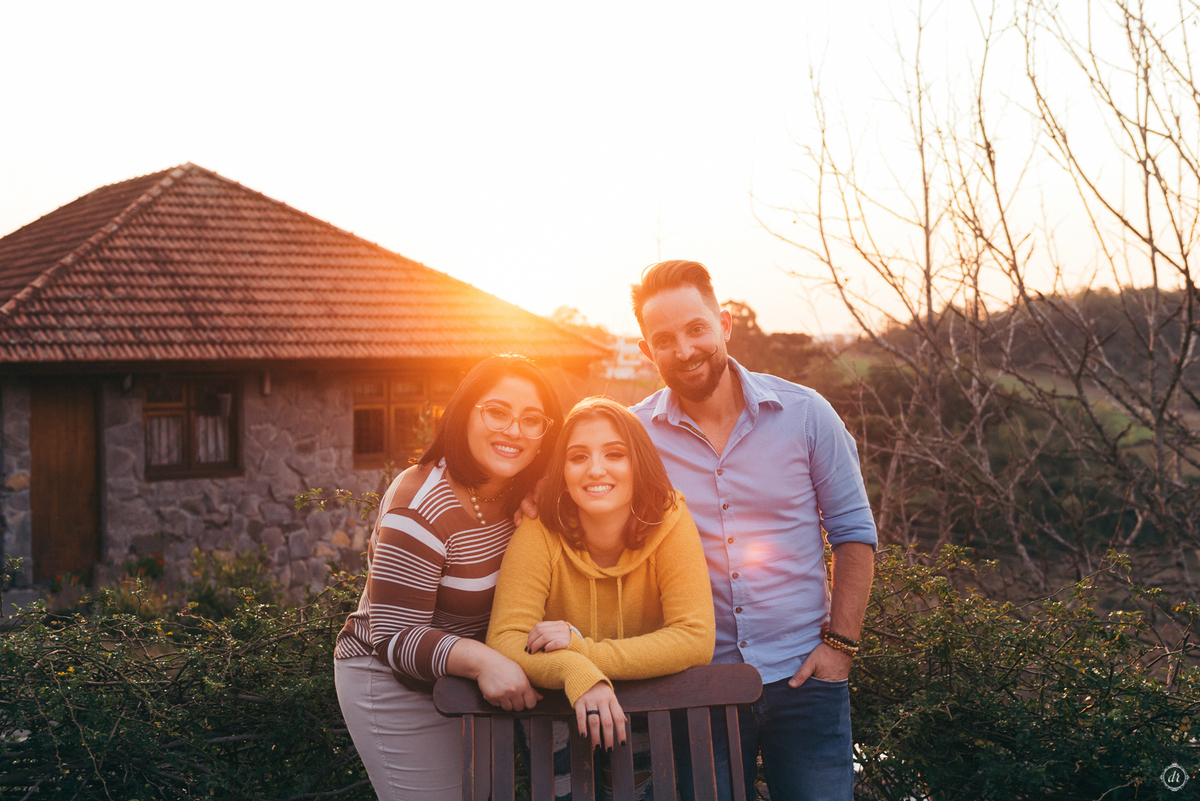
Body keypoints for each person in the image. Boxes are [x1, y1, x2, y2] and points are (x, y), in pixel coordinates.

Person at [629, 260, 878, 801]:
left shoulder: (806, 415)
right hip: (696, 687)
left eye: (697, 328)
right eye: (665, 338)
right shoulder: (634, 438)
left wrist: (839, 647)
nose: (686, 348)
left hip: (807, 677)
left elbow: (854, 533)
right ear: (648, 351)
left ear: (724, 323)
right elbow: (576, 491)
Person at [334, 354, 564, 801]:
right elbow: (395, 636)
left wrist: (550, 486)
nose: (514, 430)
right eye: (497, 411)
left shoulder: (521, 488)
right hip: (391, 676)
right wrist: (483, 661)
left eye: (531, 419)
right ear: (463, 413)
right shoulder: (420, 508)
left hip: (465, 676)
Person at [488, 396, 715, 800]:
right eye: (578, 457)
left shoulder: (671, 520)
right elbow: (504, 639)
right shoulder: (539, 530)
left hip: (650, 711)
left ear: (638, 463)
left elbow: (696, 638)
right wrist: (578, 674)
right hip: (556, 715)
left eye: (615, 454)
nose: (596, 469)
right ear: (562, 469)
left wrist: (584, 651)